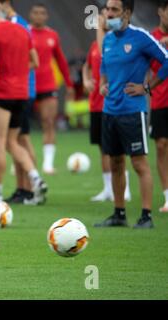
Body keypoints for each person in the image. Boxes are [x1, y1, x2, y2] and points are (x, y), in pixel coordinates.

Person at [94, 0, 168, 229]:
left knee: (139, 163)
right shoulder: (107, 40)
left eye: (114, 9)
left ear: (126, 12)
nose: (109, 13)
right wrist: (103, 85)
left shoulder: (141, 37)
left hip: (132, 112)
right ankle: (119, 214)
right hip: (110, 111)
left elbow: (166, 61)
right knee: (115, 163)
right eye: (107, 9)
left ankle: (146, 216)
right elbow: (104, 67)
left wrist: (147, 87)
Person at [0, 0, 47, 206]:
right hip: (22, 94)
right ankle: (35, 177)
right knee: (12, 142)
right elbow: (35, 62)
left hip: (1, 93)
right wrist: (15, 68)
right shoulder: (22, 30)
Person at [82, 7, 131, 203]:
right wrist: (86, 80)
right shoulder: (94, 45)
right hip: (95, 103)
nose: (104, 18)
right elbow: (87, 65)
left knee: (118, 149)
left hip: (113, 103)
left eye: (108, 14)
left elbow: (107, 58)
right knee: (102, 148)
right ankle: (107, 189)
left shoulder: (117, 41)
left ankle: (123, 189)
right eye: (102, 15)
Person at [0, 0, 40, 204]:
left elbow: (32, 59)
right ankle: (24, 188)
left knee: (20, 140)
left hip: (19, 90)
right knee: (19, 139)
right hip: (21, 89)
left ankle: (30, 189)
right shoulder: (17, 23)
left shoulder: (16, 24)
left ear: (3, 3)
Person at [29, 3, 75, 175]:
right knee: (20, 126)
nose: (39, 16)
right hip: (28, 85)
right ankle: (22, 161)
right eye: (36, 12)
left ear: (46, 16)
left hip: (48, 85)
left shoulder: (52, 35)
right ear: (30, 15)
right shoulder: (25, 32)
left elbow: (61, 61)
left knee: (48, 122)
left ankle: (48, 164)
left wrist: (69, 84)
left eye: (42, 13)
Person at [150, 0, 168, 212]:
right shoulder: (150, 39)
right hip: (160, 100)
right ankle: (167, 196)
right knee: (161, 146)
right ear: (160, 12)